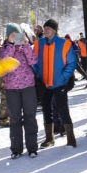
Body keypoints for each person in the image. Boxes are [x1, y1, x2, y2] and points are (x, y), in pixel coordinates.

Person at [33, 19, 77, 148]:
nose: (46, 30)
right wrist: (38, 74)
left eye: (49, 28)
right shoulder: (38, 44)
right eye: (45, 28)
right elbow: (33, 61)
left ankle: (71, 138)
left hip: (59, 84)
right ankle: (49, 138)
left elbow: (72, 62)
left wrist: (64, 76)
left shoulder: (64, 44)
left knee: (63, 110)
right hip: (44, 84)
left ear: (54, 30)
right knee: (47, 110)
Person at [0, 23, 39, 158]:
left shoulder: (25, 47)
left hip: (28, 86)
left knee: (30, 117)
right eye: (12, 34)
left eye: (18, 34)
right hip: (12, 88)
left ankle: (32, 148)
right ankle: (16, 149)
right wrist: (11, 44)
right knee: (15, 119)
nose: (16, 37)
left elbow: (33, 61)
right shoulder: (4, 48)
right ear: (7, 35)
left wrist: (26, 45)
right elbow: (5, 63)